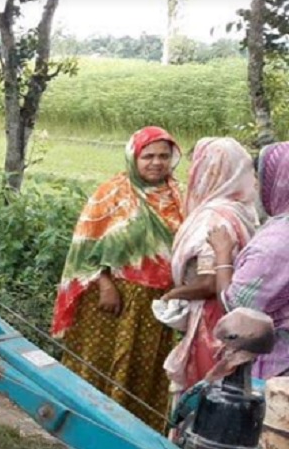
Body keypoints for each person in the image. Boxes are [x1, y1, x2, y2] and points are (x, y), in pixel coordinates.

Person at [52, 127, 184, 429]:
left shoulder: (178, 196)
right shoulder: (113, 193)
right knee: (100, 361)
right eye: (148, 156)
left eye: (164, 156)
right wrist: (105, 283)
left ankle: (134, 432)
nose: (156, 163)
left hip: (155, 303)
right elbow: (85, 245)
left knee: (142, 366)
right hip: (111, 300)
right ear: (133, 158)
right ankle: (84, 425)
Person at [162, 137, 262, 395]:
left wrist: (174, 294)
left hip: (211, 320)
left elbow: (208, 282)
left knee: (204, 392)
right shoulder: (242, 209)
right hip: (235, 317)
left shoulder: (213, 217)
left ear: (209, 171)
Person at [206, 141, 289, 380]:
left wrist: (222, 254)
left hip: (278, 362)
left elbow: (236, 309)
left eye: (258, 179)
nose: (254, 186)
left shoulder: (275, 245)